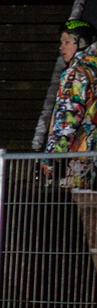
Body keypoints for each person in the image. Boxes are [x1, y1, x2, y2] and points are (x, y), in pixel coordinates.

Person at [48, 18, 97, 189]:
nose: (61, 47)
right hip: (93, 159)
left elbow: (67, 119)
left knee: (67, 212)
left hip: (77, 163)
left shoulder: (75, 73)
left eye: (67, 42)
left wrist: (52, 159)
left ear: (81, 42)